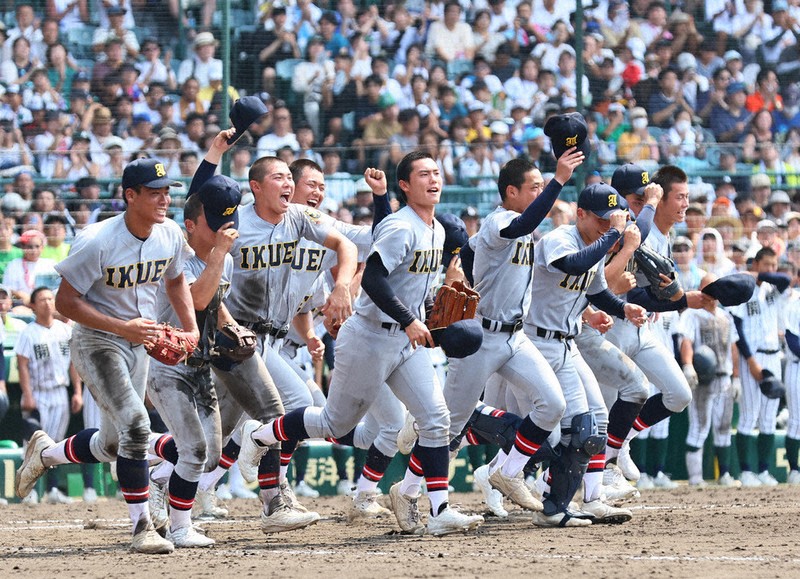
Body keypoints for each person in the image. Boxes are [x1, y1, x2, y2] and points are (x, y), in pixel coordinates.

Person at [239, 151, 485, 536]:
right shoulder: (401, 227)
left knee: (436, 419)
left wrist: (432, 304)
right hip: (369, 336)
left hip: (402, 342)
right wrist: (410, 318)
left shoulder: (436, 230)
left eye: (436, 172)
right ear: (405, 185)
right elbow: (372, 279)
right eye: (423, 174)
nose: (433, 179)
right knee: (333, 422)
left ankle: (437, 509)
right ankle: (261, 435)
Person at [14, 158, 199, 554]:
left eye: (167, 191)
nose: (165, 199)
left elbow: (177, 279)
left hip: (139, 343)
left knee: (117, 443)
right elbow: (65, 303)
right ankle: (142, 528)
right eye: (154, 192)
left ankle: (45, 453)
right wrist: (123, 328)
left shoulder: (168, 234)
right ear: (129, 196)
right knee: (135, 425)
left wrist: (191, 327)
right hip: (97, 342)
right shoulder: (96, 239)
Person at [443, 153, 582, 520]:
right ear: (511, 192)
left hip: (516, 338)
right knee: (448, 427)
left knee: (553, 404)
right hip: (483, 337)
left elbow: (469, 251)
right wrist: (559, 181)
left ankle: (507, 472)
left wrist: (470, 276)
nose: (539, 192)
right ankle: (414, 494)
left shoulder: (521, 227)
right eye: (533, 187)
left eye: (541, 185)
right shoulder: (501, 222)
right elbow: (522, 224)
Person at [146, 165, 244, 548]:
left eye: (228, 220)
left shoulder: (227, 260)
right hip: (167, 365)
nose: (223, 228)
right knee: (194, 450)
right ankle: (181, 527)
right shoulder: (178, 258)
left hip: (201, 365)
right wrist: (219, 254)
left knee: (210, 454)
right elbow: (198, 298)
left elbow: (215, 307)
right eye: (215, 222)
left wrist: (234, 326)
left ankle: (155, 475)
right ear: (189, 225)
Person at [730, 247, 791, 487]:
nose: (771, 269)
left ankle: (764, 470)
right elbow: (738, 330)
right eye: (766, 264)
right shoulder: (744, 290)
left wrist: (763, 275)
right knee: (749, 415)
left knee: (768, 416)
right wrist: (751, 362)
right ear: (756, 263)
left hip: (774, 356)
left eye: (774, 265)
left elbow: (786, 279)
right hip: (752, 358)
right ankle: (746, 472)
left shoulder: (773, 289)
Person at [16, 286, 82, 504]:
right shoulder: (28, 332)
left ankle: (53, 489)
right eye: (42, 299)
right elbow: (22, 365)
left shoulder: (64, 330)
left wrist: (77, 391)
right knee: (33, 444)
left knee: (55, 444)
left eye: (50, 299)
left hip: (60, 392)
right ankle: (30, 492)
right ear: (33, 306)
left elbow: (74, 363)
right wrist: (27, 394)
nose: (47, 303)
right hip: (38, 392)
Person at [680, 273, 741, 487]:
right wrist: (688, 366)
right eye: (707, 289)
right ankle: (695, 477)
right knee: (699, 426)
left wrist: (736, 378)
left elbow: (733, 348)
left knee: (723, 427)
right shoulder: (691, 314)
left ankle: (724, 474)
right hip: (703, 379)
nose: (711, 295)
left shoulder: (726, 316)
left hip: (724, 377)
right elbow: (686, 342)